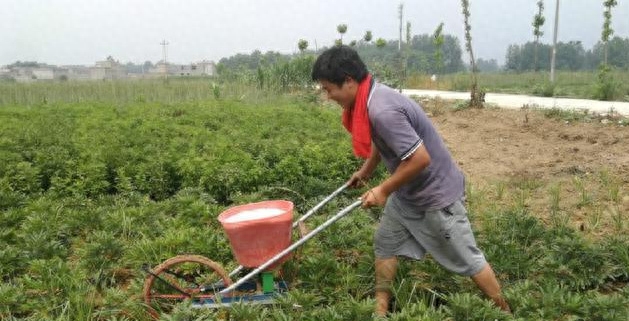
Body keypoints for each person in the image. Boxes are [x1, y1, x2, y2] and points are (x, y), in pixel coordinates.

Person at [311, 46, 511, 317]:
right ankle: (380, 313)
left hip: (435, 197)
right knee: (385, 244)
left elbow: (420, 159)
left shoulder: (381, 109)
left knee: (468, 259)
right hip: (408, 194)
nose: (328, 96)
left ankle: (506, 312)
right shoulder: (371, 99)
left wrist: (382, 189)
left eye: (328, 89)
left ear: (348, 81)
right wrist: (367, 171)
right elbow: (385, 142)